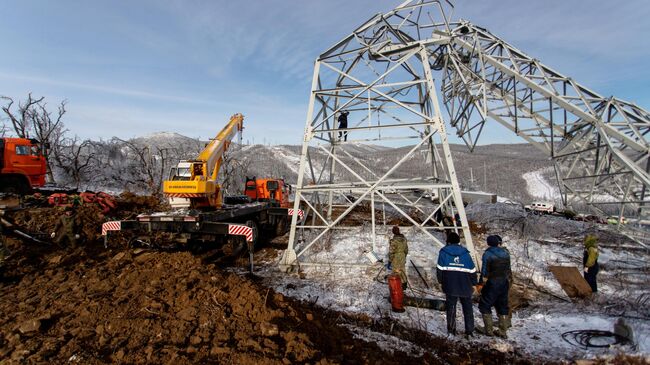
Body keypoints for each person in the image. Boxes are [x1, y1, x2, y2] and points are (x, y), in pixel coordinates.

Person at [436, 232, 478, 337]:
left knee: (451, 308)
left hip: (450, 284)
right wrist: (474, 283)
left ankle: (451, 330)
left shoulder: (444, 252)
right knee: (468, 309)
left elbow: (439, 269)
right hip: (465, 284)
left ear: (448, 241)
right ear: (458, 241)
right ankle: (469, 331)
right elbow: (472, 270)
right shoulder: (465, 253)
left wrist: (441, 282)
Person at [477, 235, 512, 338]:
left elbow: (484, 272)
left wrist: (481, 284)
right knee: (503, 305)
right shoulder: (506, 253)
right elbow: (508, 269)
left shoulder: (487, 254)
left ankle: (488, 330)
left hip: (492, 283)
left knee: (485, 304)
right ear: (498, 242)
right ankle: (503, 331)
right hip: (504, 282)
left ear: (488, 243)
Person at [388, 226, 409, 290]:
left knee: (396, 271)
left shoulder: (394, 241)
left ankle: (398, 286)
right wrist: (404, 257)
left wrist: (390, 260)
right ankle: (404, 284)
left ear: (393, 232)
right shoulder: (404, 239)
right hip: (402, 256)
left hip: (396, 257)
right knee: (402, 270)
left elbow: (391, 252)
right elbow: (406, 250)